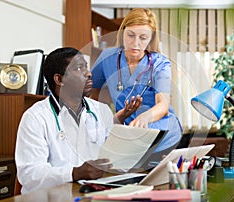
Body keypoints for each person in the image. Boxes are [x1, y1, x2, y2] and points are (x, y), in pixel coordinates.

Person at [15, 47, 140, 194]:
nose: (88, 73)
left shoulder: (102, 110)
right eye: (79, 68)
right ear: (59, 79)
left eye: (86, 67)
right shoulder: (35, 118)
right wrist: (74, 173)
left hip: (93, 192)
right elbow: (30, 175)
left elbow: (115, 159)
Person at [91, 8, 182, 165]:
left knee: (153, 180)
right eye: (131, 35)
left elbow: (163, 104)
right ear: (123, 32)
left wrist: (145, 117)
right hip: (129, 133)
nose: (135, 43)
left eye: (143, 37)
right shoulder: (107, 57)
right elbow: (92, 91)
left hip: (161, 132)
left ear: (151, 39)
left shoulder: (160, 64)